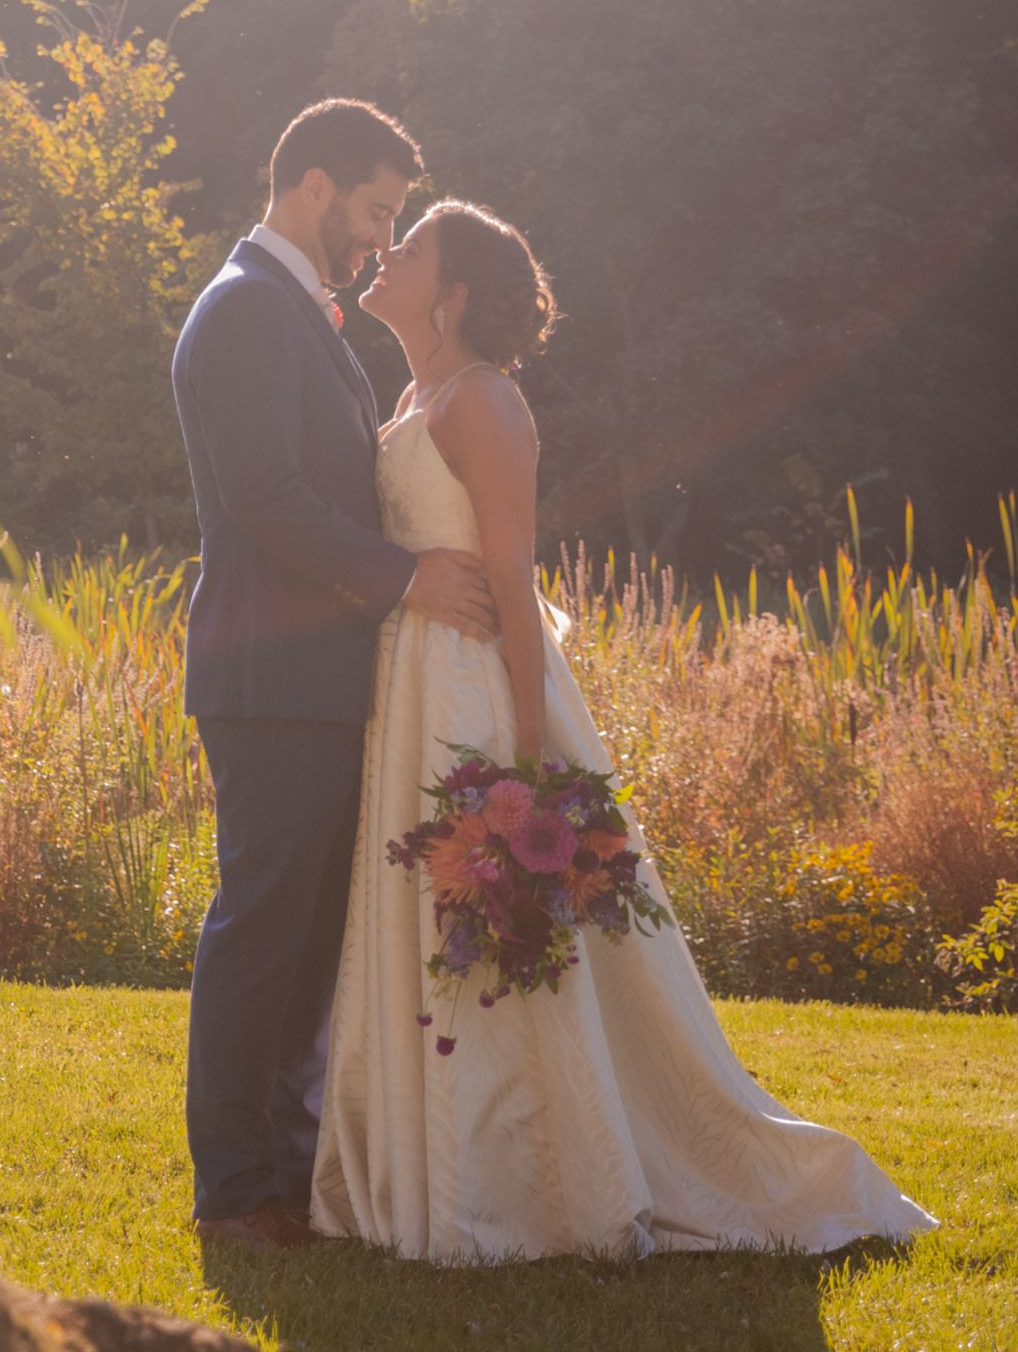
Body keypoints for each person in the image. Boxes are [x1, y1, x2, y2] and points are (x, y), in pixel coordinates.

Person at [311, 196, 937, 1261]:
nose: (383, 253)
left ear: (452, 291)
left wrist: (522, 759)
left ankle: (516, 1181)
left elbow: (510, 576)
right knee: (422, 919)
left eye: (407, 248)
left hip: (472, 689)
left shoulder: (485, 404)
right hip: (408, 682)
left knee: (496, 918)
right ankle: (425, 1170)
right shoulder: (412, 394)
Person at [173, 101, 500, 1250]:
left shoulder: (293, 314)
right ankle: (231, 1194)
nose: (378, 238)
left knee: (305, 937)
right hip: (269, 674)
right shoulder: (247, 312)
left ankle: (280, 1172)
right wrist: (406, 579)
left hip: (318, 674)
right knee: (262, 928)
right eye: (374, 212)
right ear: (311, 186)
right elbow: (266, 500)